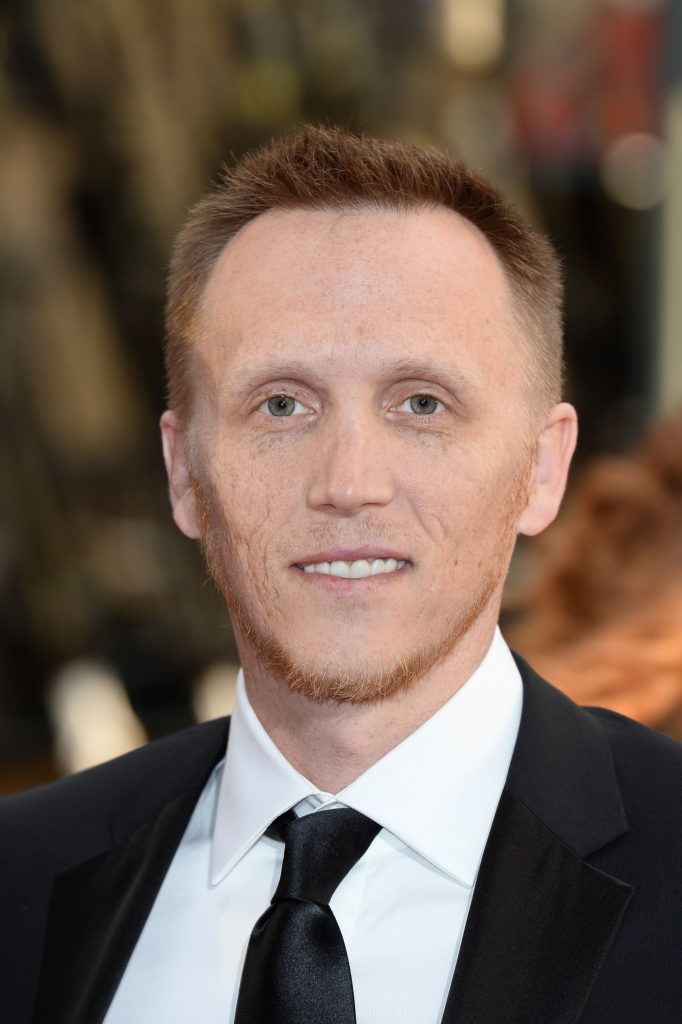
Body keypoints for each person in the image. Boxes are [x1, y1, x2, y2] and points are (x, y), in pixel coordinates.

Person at [2, 124, 681, 1024]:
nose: (348, 484)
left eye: (421, 404)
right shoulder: (22, 880)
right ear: (183, 473)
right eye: (281, 404)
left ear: (543, 468)